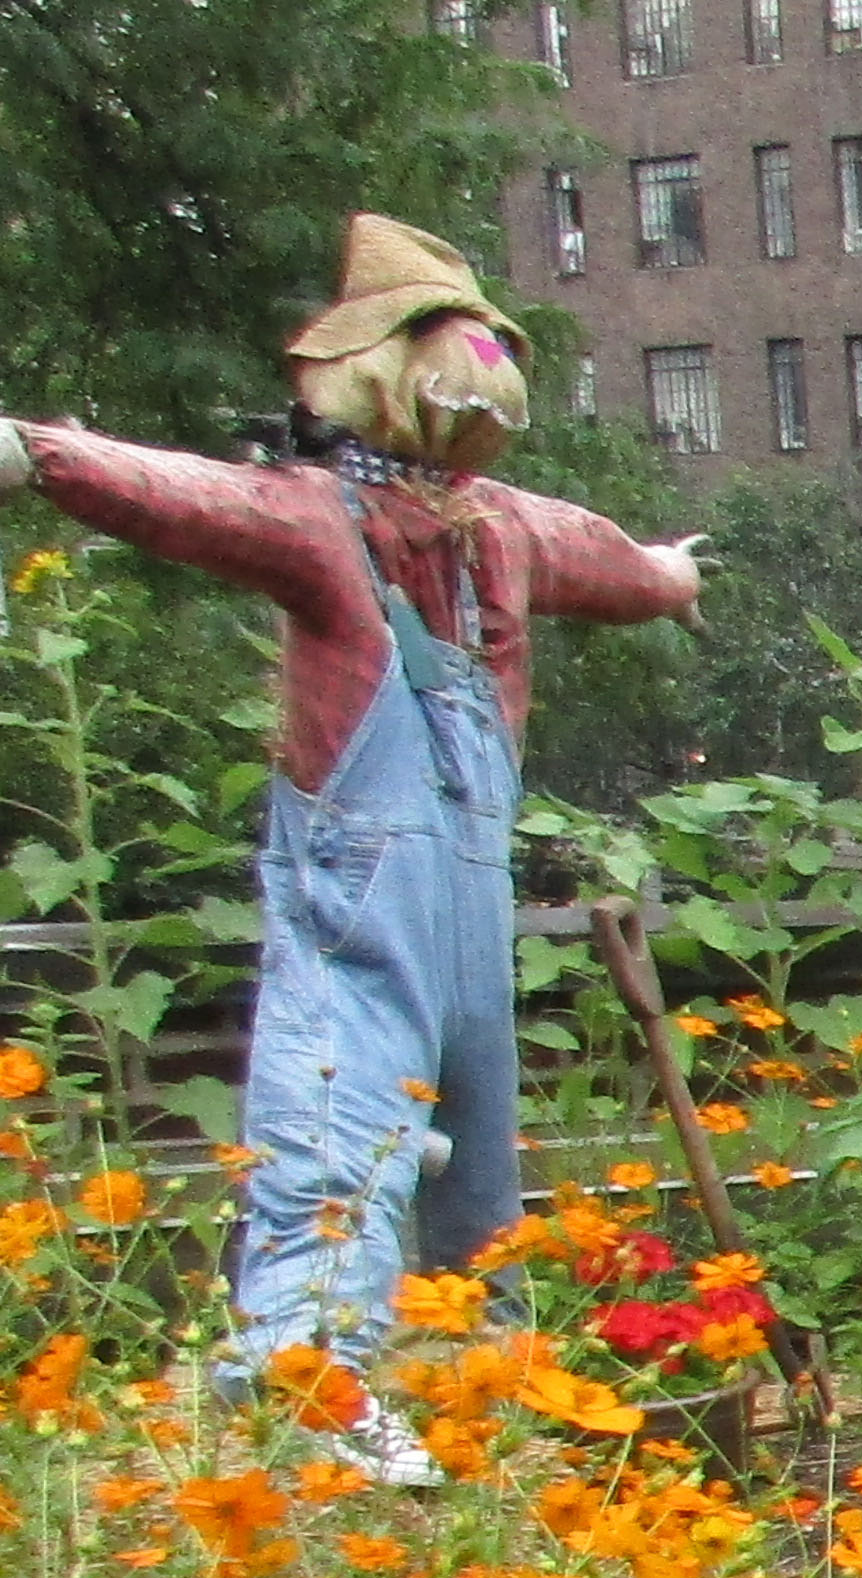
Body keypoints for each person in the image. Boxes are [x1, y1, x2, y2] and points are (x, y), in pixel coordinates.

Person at [0, 215, 701, 1481]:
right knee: (347, 1106)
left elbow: (601, 554)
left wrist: (662, 573)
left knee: (475, 1139)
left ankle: (479, 1368)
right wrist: (45, 457)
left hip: (465, 879)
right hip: (368, 871)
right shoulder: (322, 518)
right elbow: (193, 499)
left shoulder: (501, 528)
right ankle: (306, 1365)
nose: (484, 367)